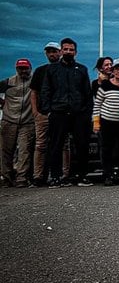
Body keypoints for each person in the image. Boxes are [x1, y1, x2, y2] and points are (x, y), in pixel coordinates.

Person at [41, 37, 93, 187]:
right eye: (66, 49)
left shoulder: (82, 69)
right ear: (61, 51)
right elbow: (46, 91)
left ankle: (81, 176)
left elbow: (87, 93)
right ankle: (56, 176)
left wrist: (86, 112)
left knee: (82, 145)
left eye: (71, 50)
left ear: (75, 52)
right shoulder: (52, 69)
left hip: (79, 114)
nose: (68, 52)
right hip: (58, 112)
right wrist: (48, 111)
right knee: (56, 145)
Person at [92, 57, 119, 185]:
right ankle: (108, 175)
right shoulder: (105, 85)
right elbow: (97, 104)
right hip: (107, 121)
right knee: (106, 149)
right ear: (112, 71)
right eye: (117, 68)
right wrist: (96, 122)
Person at [29, 42, 62, 186]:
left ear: (60, 52)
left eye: (54, 51)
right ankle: (38, 176)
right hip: (43, 113)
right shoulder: (40, 71)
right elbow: (34, 92)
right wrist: (36, 112)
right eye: (49, 52)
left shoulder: (65, 70)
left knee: (63, 145)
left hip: (60, 113)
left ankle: (63, 175)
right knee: (41, 144)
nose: (52, 54)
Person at [0, 59, 35, 187]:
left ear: (30, 68)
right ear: (16, 69)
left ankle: (22, 178)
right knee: (6, 151)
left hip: (27, 121)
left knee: (24, 150)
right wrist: (2, 103)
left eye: (25, 68)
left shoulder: (34, 82)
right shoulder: (8, 82)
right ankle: (6, 178)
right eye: (20, 68)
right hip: (9, 120)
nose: (23, 71)